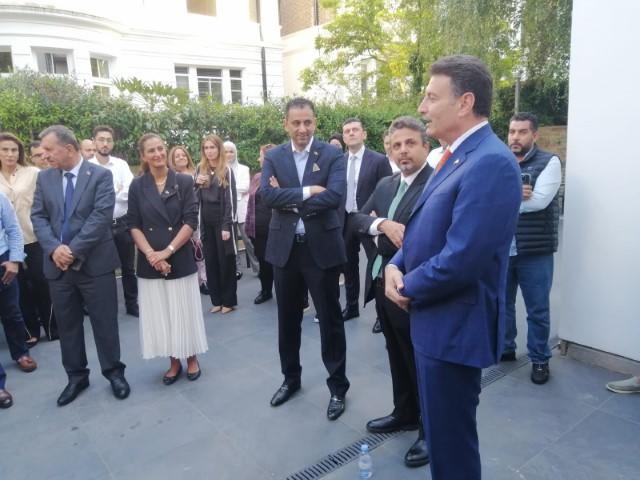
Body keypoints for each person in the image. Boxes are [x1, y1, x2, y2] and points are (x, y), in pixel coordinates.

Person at [384, 55, 521, 479]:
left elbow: (462, 258)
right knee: (443, 440)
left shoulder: (491, 162)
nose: (422, 107)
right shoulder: (456, 155)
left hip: (454, 329)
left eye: (431, 97)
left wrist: (406, 286)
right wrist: (395, 263)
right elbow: (424, 227)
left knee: (451, 448)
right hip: (435, 323)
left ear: (464, 102)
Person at [350, 116, 433, 468]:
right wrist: (381, 223)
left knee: (420, 361)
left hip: (412, 286)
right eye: (396, 145)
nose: (403, 151)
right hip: (381, 282)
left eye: (410, 143)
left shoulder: (436, 184)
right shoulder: (386, 184)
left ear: (426, 146)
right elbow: (355, 219)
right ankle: (405, 412)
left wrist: (383, 236)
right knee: (396, 353)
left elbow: (418, 237)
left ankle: (430, 429)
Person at [262, 97, 349, 421]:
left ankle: (338, 387)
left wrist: (286, 197)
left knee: (330, 320)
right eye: (296, 122)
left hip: (320, 249)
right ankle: (291, 379)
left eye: (307, 122)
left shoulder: (332, 154)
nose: (302, 128)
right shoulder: (274, 156)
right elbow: (267, 196)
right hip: (285, 250)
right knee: (287, 320)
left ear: (315, 122)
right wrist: (309, 191)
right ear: (286, 124)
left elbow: (335, 196)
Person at [31, 125, 130, 406]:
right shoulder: (45, 178)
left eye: (49, 149)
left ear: (68, 148)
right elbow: (38, 216)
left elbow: (100, 218)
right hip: (58, 268)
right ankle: (76, 377)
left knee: (104, 323)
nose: (44, 155)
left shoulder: (100, 175)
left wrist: (72, 251)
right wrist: (54, 249)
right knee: (68, 326)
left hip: (95, 265)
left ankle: (114, 372)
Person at [128, 133, 208, 384]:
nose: (158, 154)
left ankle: (191, 358)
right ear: (143, 156)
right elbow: (134, 224)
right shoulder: (137, 186)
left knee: (184, 311)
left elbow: (190, 221)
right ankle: (173, 361)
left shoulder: (183, 181)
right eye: (151, 150)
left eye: (161, 148)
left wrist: (167, 251)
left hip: (179, 257)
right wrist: (152, 256)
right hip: (150, 261)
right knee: (161, 315)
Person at [502, 112, 562, 385]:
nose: (515, 137)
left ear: (534, 135)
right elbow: (485, 197)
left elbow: (539, 201)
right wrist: (516, 192)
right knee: (502, 304)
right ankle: (506, 347)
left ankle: (539, 358)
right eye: (512, 131)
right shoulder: (501, 161)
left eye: (522, 132)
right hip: (503, 247)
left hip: (535, 251)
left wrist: (503, 197)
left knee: (537, 309)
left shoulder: (549, 162)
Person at [0, 132, 57, 344]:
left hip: (35, 237)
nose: (10, 154)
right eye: (5, 150)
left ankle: (52, 327)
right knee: (19, 288)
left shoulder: (33, 173)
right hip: (7, 244)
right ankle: (29, 332)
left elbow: (48, 202)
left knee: (43, 282)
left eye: (14, 150)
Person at [341, 118, 392, 321]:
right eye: (347, 131)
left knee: (377, 264)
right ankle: (352, 307)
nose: (351, 133)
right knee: (348, 265)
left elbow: (388, 189)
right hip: (346, 219)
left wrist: (381, 216)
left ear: (364, 134)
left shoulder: (378, 160)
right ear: (344, 137)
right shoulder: (339, 161)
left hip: (370, 219)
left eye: (355, 129)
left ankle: (382, 314)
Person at [89, 125, 139, 317]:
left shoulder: (121, 165)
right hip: (101, 227)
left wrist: (106, 196)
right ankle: (108, 309)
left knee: (128, 267)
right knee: (105, 270)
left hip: (123, 223)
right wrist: (115, 192)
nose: (105, 143)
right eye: (101, 139)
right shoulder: (87, 167)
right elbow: (90, 199)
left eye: (109, 140)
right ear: (94, 141)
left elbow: (129, 190)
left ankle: (132, 304)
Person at [196, 134, 237, 314]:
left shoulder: (226, 170)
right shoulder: (200, 169)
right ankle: (217, 300)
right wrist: (195, 184)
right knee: (211, 262)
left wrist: (227, 225)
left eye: (212, 147)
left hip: (222, 222)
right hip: (206, 223)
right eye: (206, 148)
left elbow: (230, 200)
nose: (209, 151)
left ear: (218, 149)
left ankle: (228, 301)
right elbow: (194, 198)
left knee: (225, 262)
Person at [0, 186, 38, 374]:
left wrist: (15, 260)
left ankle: (21, 353)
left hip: (3, 260)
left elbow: (13, 229)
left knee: (12, 312)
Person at [168, 145, 208, 295]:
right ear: (172, 160)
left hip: (202, 215)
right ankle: (194, 281)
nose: (181, 158)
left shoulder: (196, 172)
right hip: (185, 220)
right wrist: (195, 185)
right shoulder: (172, 178)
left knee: (200, 249)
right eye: (177, 156)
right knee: (190, 249)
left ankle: (204, 280)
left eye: (183, 155)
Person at [246, 143, 276, 304]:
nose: (259, 159)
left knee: (278, 263)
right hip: (257, 229)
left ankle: (287, 293)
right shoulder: (257, 177)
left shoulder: (281, 176)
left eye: (261, 156)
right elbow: (250, 203)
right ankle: (266, 291)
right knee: (263, 263)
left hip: (276, 229)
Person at [224, 141, 259, 278]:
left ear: (235, 153)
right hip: (226, 212)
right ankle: (236, 269)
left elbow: (245, 187)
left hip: (243, 210)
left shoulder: (244, 169)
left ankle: (259, 268)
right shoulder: (219, 170)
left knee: (249, 241)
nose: (229, 154)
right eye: (225, 151)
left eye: (231, 151)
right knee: (231, 243)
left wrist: (227, 189)